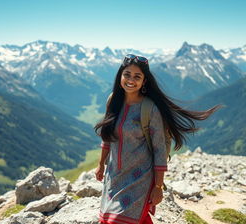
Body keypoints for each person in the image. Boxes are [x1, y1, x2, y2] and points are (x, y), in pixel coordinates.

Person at [94, 54, 220, 224]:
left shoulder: (149, 109)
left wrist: (158, 187)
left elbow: (160, 149)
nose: (131, 80)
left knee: (121, 219)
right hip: (114, 174)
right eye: (127, 74)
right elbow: (108, 135)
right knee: (118, 218)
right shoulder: (113, 101)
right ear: (120, 76)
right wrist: (101, 164)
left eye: (137, 76)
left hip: (140, 177)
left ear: (144, 81)